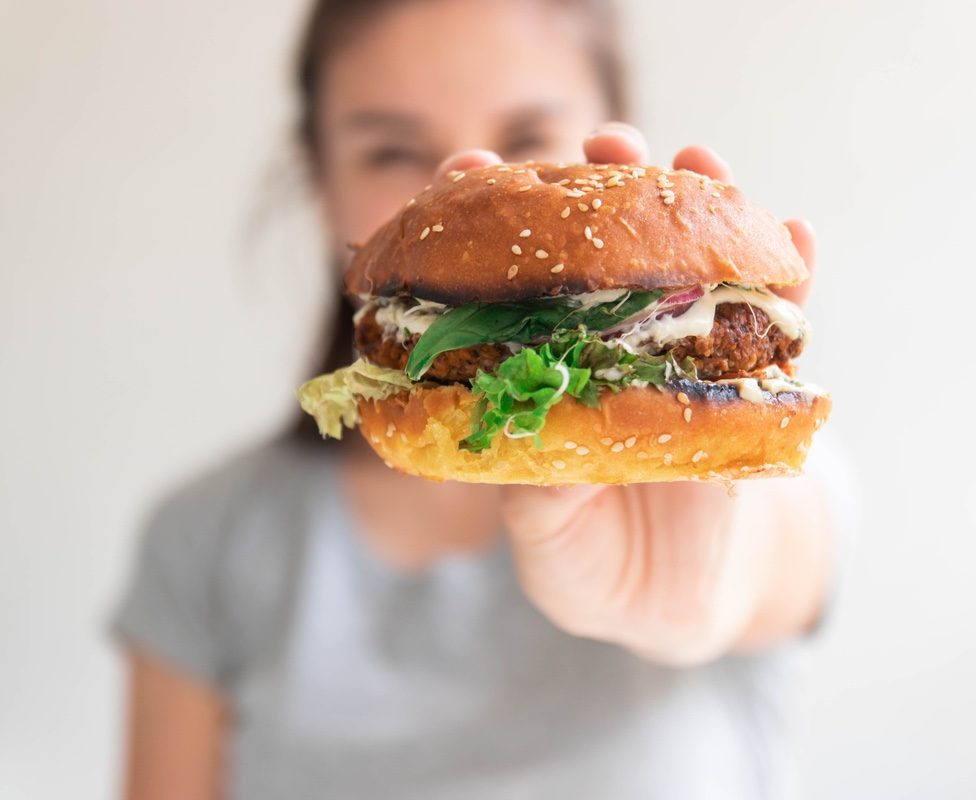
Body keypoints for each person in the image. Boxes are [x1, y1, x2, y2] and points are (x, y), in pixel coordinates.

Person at [114, 1, 848, 798]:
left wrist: (701, 596)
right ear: (320, 177)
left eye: (531, 139)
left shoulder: (748, 489)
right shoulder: (204, 539)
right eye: (392, 149)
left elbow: (769, 561)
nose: (471, 179)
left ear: (614, 134)